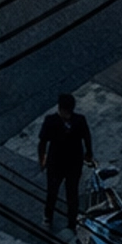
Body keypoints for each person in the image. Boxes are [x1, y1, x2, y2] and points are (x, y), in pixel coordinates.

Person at [38, 91, 94, 231]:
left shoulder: (79, 121)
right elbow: (43, 142)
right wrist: (42, 159)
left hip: (73, 163)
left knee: (72, 194)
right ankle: (48, 217)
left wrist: (88, 153)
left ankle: (71, 222)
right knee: (52, 192)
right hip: (56, 163)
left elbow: (87, 137)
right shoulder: (51, 121)